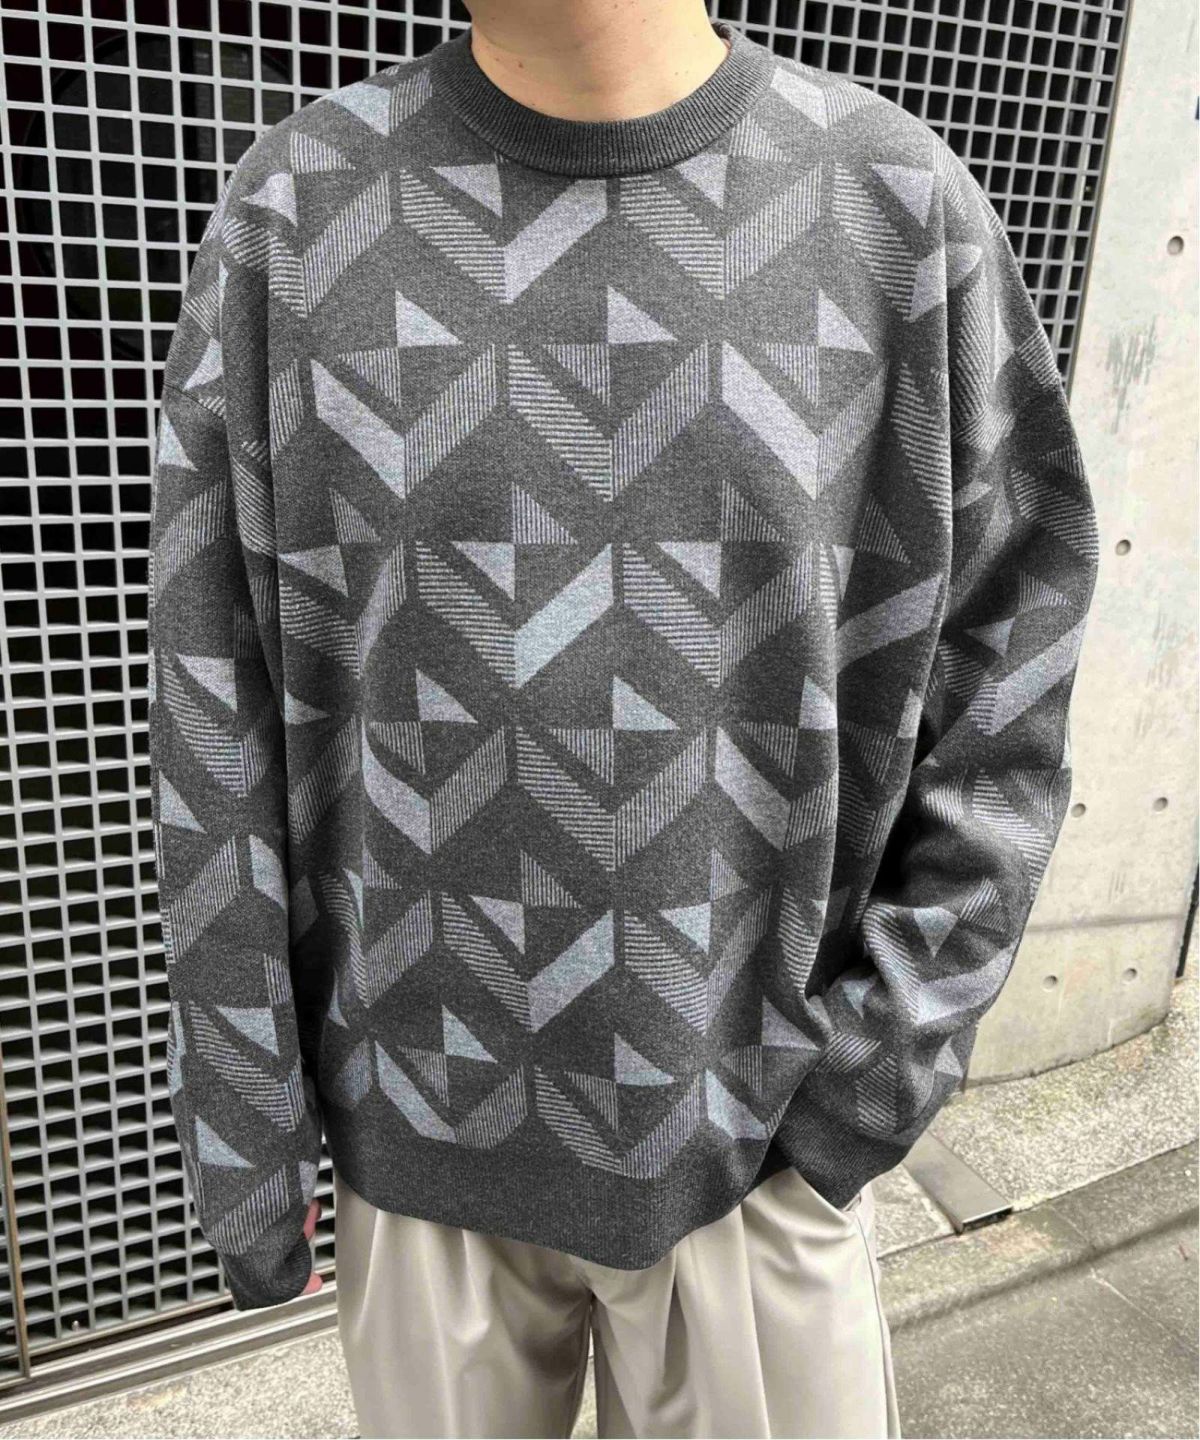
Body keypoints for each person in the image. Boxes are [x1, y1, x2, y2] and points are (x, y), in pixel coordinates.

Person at [145, 1, 1100, 1435]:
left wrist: (874, 1068)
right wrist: (246, 1120)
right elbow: (210, 687)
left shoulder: (889, 205)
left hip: (758, 1140)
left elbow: (1012, 654)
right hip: (416, 1145)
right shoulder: (298, 210)